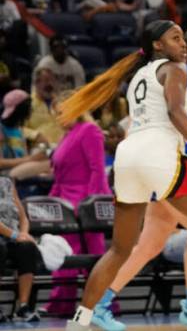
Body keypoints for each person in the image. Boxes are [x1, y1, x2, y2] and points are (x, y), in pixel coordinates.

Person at [60, 20, 187, 331]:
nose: (184, 44)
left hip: (128, 158)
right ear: (157, 46)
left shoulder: (141, 73)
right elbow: (176, 111)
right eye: (176, 38)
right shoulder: (175, 69)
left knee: (120, 248)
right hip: (160, 155)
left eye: (183, 38)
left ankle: (81, 320)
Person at [45, 109, 113, 317]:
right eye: (55, 113)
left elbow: (97, 169)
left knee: (93, 255)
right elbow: (59, 176)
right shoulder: (67, 134)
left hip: (83, 201)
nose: (58, 117)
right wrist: (51, 201)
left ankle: (101, 306)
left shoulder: (90, 130)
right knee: (62, 255)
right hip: (63, 201)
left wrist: (91, 205)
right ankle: (61, 304)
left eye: (61, 112)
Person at [0, 175, 43, 322]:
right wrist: (14, 235)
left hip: (13, 236)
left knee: (27, 247)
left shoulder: (6, 182)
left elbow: (23, 217)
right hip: (7, 236)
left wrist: (24, 233)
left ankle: (23, 306)